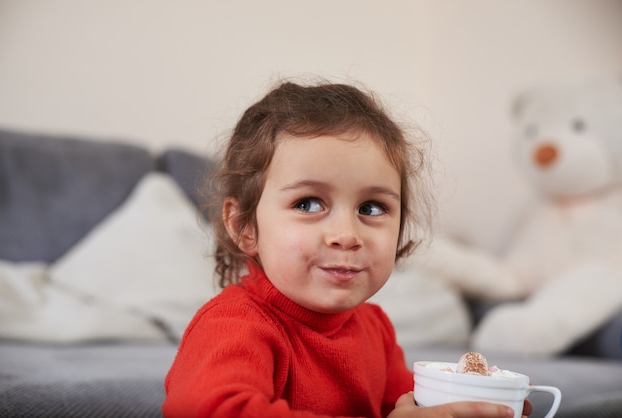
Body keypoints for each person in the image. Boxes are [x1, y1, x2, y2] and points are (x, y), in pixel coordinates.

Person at [163, 80, 531, 418]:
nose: (346, 234)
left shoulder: (376, 330)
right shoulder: (233, 325)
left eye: (371, 208)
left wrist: (462, 407)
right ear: (244, 225)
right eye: (308, 203)